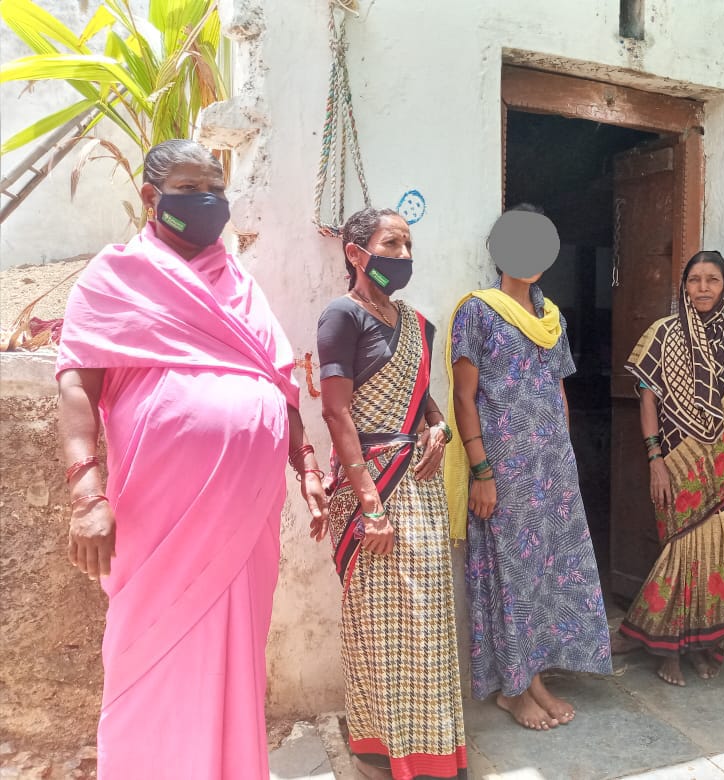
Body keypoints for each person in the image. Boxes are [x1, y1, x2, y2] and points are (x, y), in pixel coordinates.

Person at [56, 139, 328, 778]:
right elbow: (77, 383)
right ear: (152, 197)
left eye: (216, 188)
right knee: (149, 655)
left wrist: (307, 464)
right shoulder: (114, 278)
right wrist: (86, 495)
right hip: (159, 520)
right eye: (189, 189)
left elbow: (277, 381)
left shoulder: (239, 283)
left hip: (245, 522)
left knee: (234, 657)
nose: (208, 202)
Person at [316, 207, 467, 780]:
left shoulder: (419, 326)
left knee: (426, 617)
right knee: (380, 623)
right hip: (370, 491)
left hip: (421, 487)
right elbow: (335, 412)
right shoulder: (343, 316)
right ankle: (384, 746)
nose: (402, 256)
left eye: (408, 245)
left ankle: (432, 748)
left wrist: (440, 428)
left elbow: (428, 402)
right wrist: (371, 507)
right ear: (358, 253)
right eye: (391, 244)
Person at [446, 217, 612, 732]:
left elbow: (557, 387)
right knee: (510, 573)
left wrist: (566, 455)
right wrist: (481, 471)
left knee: (545, 571)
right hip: (503, 467)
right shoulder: (476, 312)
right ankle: (513, 689)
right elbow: (462, 395)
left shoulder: (551, 316)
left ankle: (534, 675)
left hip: (550, 467)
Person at [610, 250, 724, 688]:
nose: (703, 288)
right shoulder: (662, 334)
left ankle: (700, 647)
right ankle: (666, 649)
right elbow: (648, 399)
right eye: (695, 280)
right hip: (678, 463)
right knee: (678, 553)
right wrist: (655, 459)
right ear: (684, 286)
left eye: (712, 280)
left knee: (714, 557)